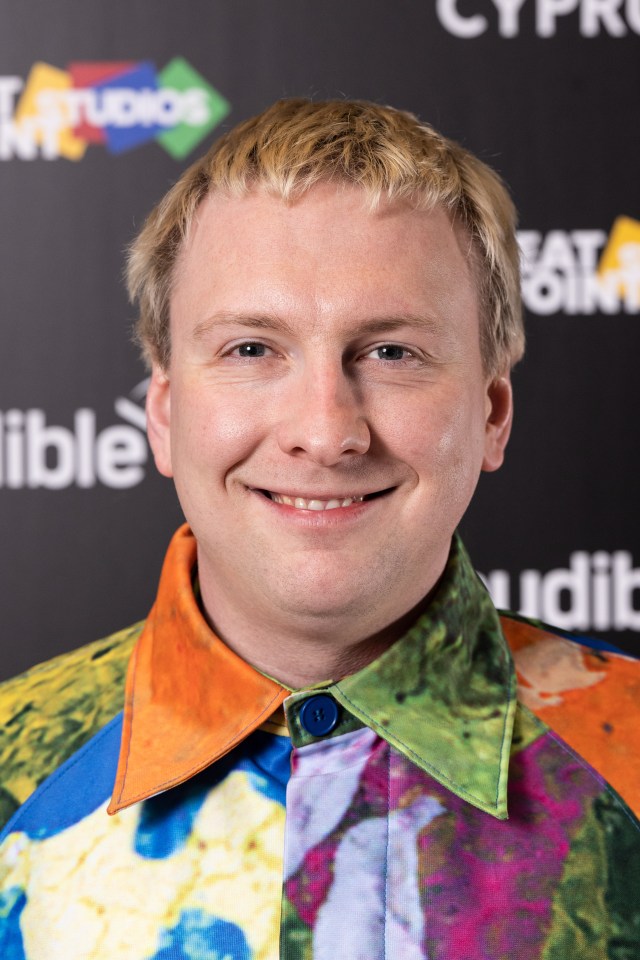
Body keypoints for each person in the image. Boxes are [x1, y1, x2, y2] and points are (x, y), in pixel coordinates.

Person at [1, 98, 638, 960]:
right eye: (252, 350)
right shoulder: (14, 773)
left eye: (391, 353)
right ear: (161, 414)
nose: (326, 430)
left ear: (492, 414)